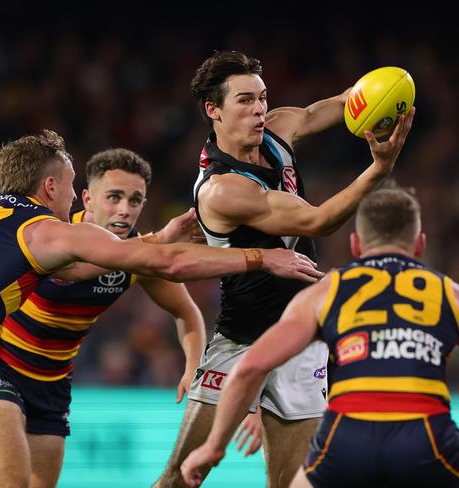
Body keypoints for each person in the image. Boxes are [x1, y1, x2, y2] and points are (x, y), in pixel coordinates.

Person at [0, 129, 321, 488]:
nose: (73, 198)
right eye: (76, 189)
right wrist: (262, 257)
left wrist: (158, 240)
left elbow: (86, 270)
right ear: (52, 188)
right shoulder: (50, 233)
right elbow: (166, 263)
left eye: (135, 200)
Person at [154, 50, 415, 487]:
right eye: (244, 100)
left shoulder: (277, 128)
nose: (259, 109)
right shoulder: (222, 189)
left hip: (303, 339)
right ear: (212, 110)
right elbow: (318, 221)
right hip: (244, 341)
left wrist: (383, 98)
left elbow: (329, 106)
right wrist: (378, 169)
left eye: (262, 97)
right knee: (181, 478)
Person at [180, 187, 459, 488]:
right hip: (426, 436)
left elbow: (250, 368)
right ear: (420, 244)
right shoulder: (455, 296)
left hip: (346, 438)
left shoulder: (326, 291)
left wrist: (214, 447)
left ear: (356, 244)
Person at [0, 147, 252, 488]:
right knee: (11, 482)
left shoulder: (140, 259)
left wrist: (193, 366)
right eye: (114, 197)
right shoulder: (52, 233)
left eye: (135, 200)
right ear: (87, 199)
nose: (124, 210)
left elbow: (186, 313)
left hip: (52, 383)